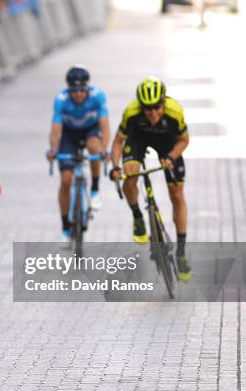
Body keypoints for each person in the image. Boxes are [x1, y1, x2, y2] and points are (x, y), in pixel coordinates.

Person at [109, 76, 192, 279]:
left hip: (167, 144)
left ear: (163, 102)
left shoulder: (174, 111)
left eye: (157, 107)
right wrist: (115, 167)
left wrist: (172, 156)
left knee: (177, 194)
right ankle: (138, 216)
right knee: (130, 176)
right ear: (141, 106)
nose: (153, 113)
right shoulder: (131, 112)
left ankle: (181, 253)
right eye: (147, 108)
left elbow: (184, 139)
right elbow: (118, 142)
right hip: (138, 140)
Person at [45, 65, 110, 240]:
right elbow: (56, 130)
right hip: (69, 134)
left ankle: (95, 188)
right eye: (74, 90)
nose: (78, 94)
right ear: (69, 89)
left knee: (94, 148)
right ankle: (65, 224)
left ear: (87, 87)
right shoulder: (61, 99)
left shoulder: (98, 96)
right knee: (66, 179)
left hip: (90, 129)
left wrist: (104, 150)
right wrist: (53, 149)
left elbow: (105, 125)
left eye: (82, 89)